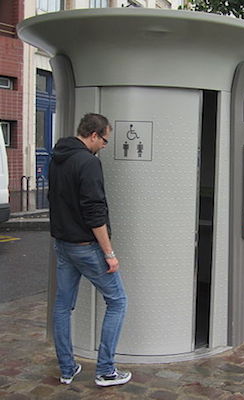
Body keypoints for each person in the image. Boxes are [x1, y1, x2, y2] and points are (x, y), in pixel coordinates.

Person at [48, 113, 131, 387]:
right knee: (117, 301)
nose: (105, 145)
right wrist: (109, 253)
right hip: (86, 247)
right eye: (105, 139)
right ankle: (106, 370)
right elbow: (95, 213)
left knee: (62, 306)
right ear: (94, 135)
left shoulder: (57, 158)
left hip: (63, 245)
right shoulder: (88, 162)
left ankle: (67, 368)